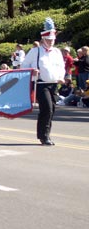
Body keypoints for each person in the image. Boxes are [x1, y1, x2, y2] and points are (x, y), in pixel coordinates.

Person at [22, 17, 65, 146]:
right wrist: (32, 71)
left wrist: (62, 77)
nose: (50, 42)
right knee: (47, 108)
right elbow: (24, 66)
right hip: (41, 84)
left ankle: (45, 133)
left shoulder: (57, 52)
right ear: (43, 39)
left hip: (54, 84)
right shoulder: (35, 51)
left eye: (52, 40)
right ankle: (44, 136)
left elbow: (61, 67)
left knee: (52, 109)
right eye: (48, 40)